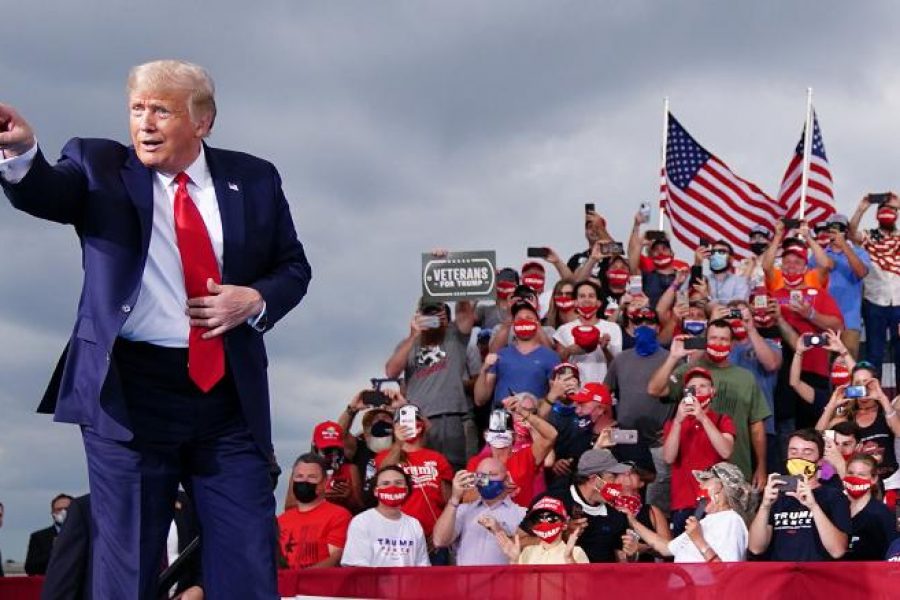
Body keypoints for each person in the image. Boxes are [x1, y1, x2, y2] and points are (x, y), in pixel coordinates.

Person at [0, 60, 312, 599]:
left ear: (203, 121)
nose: (144, 123)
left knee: (247, 557)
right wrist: (21, 153)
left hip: (226, 396)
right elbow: (47, 191)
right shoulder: (97, 164)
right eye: (137, 109)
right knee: (127, 568)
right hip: (127, 396)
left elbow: (293, 267)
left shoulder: (256, 177)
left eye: (161, 111)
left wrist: (255, 298)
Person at [648, 320, 770, 490]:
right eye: (713, 338)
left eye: (724, 339)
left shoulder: (746, 377)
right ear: (705, 341)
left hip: (737, 466)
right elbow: (654, 390)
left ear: (732, 344)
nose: (718, 343)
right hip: (694, 471)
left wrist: (761, 466)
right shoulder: (689, 371)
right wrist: (673, 357)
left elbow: (756, 426)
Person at [42, 493, 204, 600]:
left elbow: (209, 564)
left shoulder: (188, 504)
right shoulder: (87, 509)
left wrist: (199, 589)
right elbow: (60, 587)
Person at [385, 297, 477, 470]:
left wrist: (457, 291)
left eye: (437, 310)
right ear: (418, 315)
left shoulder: (455, 333)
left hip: (452, 415)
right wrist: (414, 335)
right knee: (420, 468)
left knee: (454, 469)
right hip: (418, 418)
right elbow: (391, 371)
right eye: (428, 312)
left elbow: (465, 311)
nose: (433, 315)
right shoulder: (408, 343)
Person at [603, 309, 673, 512]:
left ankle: (656, 536)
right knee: (624, 492)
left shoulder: (671, 359)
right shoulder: (621, 359)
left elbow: (680, 397)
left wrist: (671, 429)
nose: (643, 326)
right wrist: (608, 423)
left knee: (657, 499)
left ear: (658, 328)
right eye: (638, 322)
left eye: (649, 322)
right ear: (631, 329)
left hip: (658, 440)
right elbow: (605, 394)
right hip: (626, 438)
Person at [749, 429, 851, 561]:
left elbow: (838, 551)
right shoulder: (774, 496)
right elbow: (756, 548)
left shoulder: (834, 497)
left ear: (820, 461)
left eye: (807, 452)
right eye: (793, 451)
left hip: (816, 576)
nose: (799, 457)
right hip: (782, 577)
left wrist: (813, 506)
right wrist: (765, 506)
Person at [625, 462, 751, 562]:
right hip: (686, 592)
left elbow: (727, 572)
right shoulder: (705, 522)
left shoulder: (730, 520)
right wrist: (633, 521)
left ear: (719, 487)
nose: (700, 486)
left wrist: (698, 540)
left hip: (706, 593)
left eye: (705, 481)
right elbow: (665, 548)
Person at [661, 368, 736, 533]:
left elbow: (726, 452)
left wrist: (702, 417)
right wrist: (678, 422)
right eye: (693, 387)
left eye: (703, 385)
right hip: (683, 502)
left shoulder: (722, 419)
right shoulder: (674, 424)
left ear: (712, 391)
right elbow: (668, 457)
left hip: (715, 503)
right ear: (685, 392)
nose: (698, 389)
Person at [529, 449, 638, 563]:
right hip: (559, 578)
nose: (619, 482)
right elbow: (519, 541)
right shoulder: (551, 502)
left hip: (601, 580)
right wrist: (560, 535)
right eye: (614, 476)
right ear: (594, 480)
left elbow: (622, 559)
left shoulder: (616, 516)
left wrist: (632, 554)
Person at [374, 405, 453, 554]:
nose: (407, 426)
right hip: (395, 539)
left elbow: (448, 500)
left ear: (421, 425)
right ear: (395, 427)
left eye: (413, 421)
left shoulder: (437, 458)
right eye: (401, 422)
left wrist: (439, 532)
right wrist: (398, 443)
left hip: (432, 539)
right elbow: (381, 475)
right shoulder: (384, 456)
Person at [432, 457, 527, 565]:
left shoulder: (522, 514)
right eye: (481, 476)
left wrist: (500, 532)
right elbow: (439, 541)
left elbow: (532, 550)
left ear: (506, 479)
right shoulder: (463, 510)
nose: (487, 480)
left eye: (493, 475)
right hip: (467, 581)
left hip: (502, 581)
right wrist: (454, 498)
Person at [815, 361, 900, 478]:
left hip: (889, 481)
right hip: (858, 482)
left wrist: (881, 397)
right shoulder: (846, 417)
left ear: (876, 384)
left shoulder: (886, 410)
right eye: (858, 383)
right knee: (825, 471)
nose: (862, 387)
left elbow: (899, 431)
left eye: (867, 383)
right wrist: (831, 405)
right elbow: (817, 436)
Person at [466, 398, 557, 507]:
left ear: (514, 436)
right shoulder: (478, 463)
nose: (499, 435)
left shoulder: (525, 457)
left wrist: (522, 411)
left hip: (519, 521)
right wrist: (499, 488)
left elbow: (551, 435)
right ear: (486, 436)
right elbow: (468, 499)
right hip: (485, 520)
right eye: (496, 432)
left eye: (503, 432)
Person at [849, 193, 900, 384]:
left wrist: (897, 205)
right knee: (875, 354)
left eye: (891, 212)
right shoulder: (869, 236)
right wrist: (862, 207)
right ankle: (873, 400)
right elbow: (851, 233)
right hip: (874, 304)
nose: (888, 214)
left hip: (899, 305)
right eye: (884, 211)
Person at [474, 301, 560, 408]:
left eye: (529, 318)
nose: (524, 322)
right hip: (502, 419)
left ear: (537, 323)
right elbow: (480, 400)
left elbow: (557, 397)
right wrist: (483, 370)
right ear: (513, 324)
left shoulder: (551, 357)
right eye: (519, 319)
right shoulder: (500, 355)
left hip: (535, 419)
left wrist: (532, 404)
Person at [341, 466, 430, 567]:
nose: (392, 487)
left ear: (406, 490)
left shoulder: (414, 524)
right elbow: (357, 567)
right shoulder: (362, 521)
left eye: (399, 483)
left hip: (408, 583)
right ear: (375, 491)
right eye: (385, 483)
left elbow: (422, 567)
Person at [277, 453, 351, 570]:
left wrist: (300, 578)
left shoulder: (339, 515)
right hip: (285, 585)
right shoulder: (281, 520)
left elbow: (336, 558)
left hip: (320, 585)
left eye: (312, 477)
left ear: (324, 482)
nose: (304, 481)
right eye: (299, 476)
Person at [813, 214, 870, 357]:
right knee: (823, 367)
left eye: (840, 229)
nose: (836, 233)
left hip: (849, 321)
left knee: (848, 366)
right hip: (823, 320)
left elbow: (861, 272)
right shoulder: (817, 255)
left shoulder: (859, 253)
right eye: (832, 229)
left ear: (846, 232)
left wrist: (844, 245)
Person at [553, 280, 623, 383]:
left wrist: (605, 349)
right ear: (575, 302)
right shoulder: (563, 330)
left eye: (591, 296)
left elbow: (617, 368)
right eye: (582, 296)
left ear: (599, 303)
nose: (586, 300)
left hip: (603, 393)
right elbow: (557, 365)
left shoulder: (613, 328)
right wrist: (568, 351)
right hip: (574, 392)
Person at [492, 496, 589, 565]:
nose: (544, 523)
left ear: (564, 524)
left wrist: (569, 559)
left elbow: (583, 588)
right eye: (538, 519)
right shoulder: (527, 552)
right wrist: (514, 561)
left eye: (551, 518)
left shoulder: (576, 552)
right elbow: (517, 587)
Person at [842, 454, 898, 560]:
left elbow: (893, 553)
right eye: (851, 473)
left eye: (861, 474)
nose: (854, 478)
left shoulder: (882, 514)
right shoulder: (838, 509)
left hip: (871, 575)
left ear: (874, 479)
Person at [25, 494, 73, 576]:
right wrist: (55, 551)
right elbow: (30, 568)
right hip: (52, 584)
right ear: (52, 513)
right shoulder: (39, 537)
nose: (63, 512)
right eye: (59, 509)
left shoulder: (88, 535)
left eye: (67, 509)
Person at [689, 240, 750, 305]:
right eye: (713, 252)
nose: (716, 255)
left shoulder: (741, 282)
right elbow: (693, 294)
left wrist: (708, 297)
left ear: (731, 259)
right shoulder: (705, 280)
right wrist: (697, 263)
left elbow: (738, 311)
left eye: (721, 252)